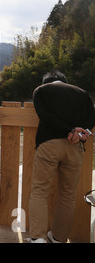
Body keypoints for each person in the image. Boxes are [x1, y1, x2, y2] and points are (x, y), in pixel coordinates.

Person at [28, 71, 95, 243]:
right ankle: (58, 238)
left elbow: (45, 116)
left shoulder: (41, 90)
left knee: (40, 191)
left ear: (46, 81)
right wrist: (82, 132)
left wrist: (68, 130)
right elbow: (92, 116)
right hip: (74, 147)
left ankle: (38, 239)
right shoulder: (82, 93)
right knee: (68, 195)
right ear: (65, 81)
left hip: (48, 145)